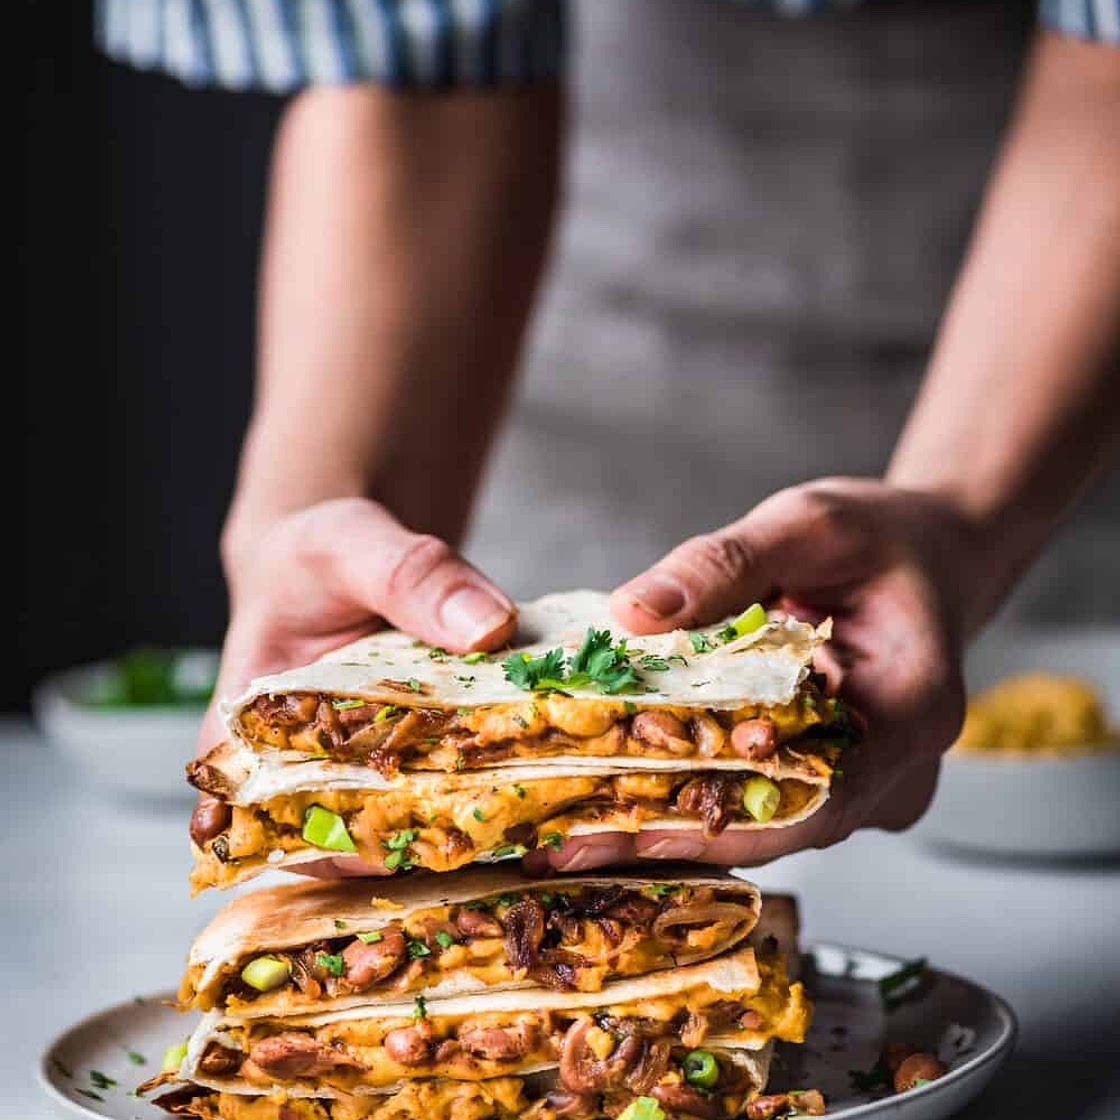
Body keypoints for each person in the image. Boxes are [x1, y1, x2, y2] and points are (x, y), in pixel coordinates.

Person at [99, 0, 1120, 873]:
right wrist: (314, 517)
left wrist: (964, 515)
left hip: (1063, 358)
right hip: (549, 342)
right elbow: (415, 57)